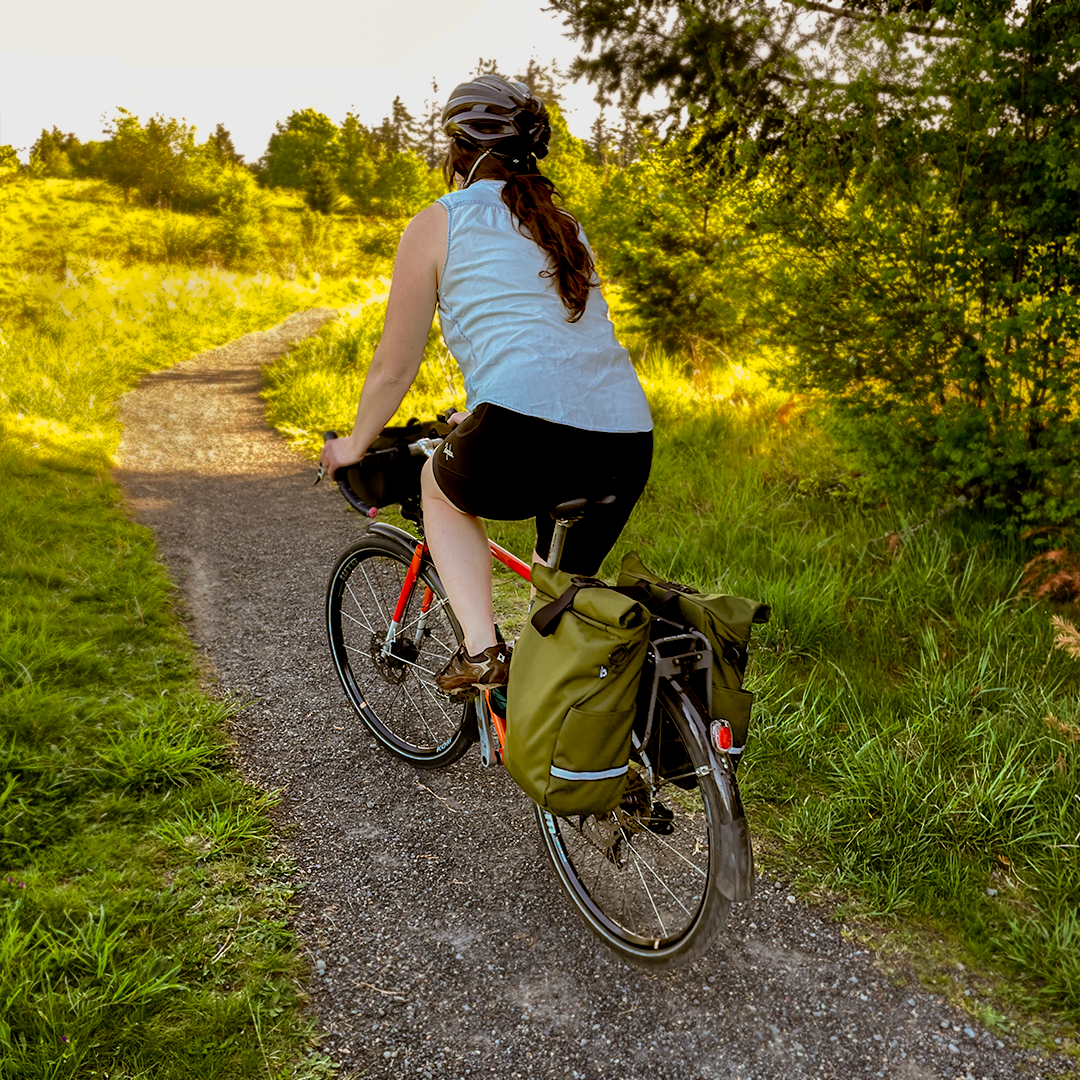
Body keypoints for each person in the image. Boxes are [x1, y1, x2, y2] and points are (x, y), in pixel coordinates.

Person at [320, 74, 653, 699]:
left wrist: (354, 445)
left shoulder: (439, 222)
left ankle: (481, 654)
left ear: (462, 149)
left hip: (524, 426)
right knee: (557, 610)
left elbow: (395, 365)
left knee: (438, 490)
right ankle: (584, 751)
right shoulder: (564, 226)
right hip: (626, 439)